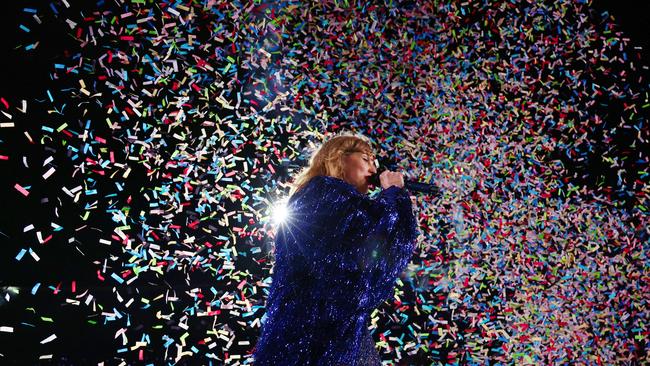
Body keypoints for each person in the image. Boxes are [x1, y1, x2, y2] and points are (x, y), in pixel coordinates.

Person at [253, 133, 419, 365]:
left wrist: (395, 199)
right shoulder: (323, 191)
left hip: (337, 328)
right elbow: (366, 239)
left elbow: (383, 254)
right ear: (339, 157)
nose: (374, 167)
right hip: (313, 331)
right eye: (366, 158)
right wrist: (392, 194)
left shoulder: (329, 197)